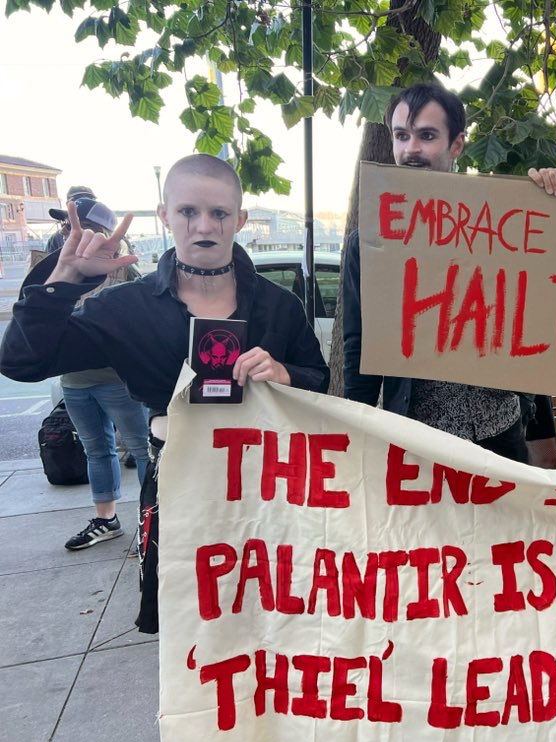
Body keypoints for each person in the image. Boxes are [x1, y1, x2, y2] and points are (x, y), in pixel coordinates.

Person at [0, 154, 329, 639]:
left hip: (266, 487)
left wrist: (284, 374)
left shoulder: (280, 306)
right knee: (187, 628)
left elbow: (319, 382)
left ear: (239, 219)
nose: (204, 226)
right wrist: (65, 283)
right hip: (178, 488)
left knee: (276, 619)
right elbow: (22, 362)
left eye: (219, 213)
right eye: (188, 212)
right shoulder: (125, 307)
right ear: (165, 215)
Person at [343, 82, 556, 465]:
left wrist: (547, 206)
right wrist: (353, 441)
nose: (411, 149)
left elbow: (534, 321)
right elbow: (359, 349)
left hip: (500, 438)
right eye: (402, 136)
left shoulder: (506, 228)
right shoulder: (368, 245)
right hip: (418, 444)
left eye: (427, 136)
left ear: (457, 144)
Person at [37, 196, 153, 550]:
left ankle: (153, 521)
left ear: (101, 230)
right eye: (64, 224)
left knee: (143, 450)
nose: (65, 230)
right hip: (74, 381)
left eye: (76, 224)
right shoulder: (59, 266)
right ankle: (107, 519)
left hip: (117, 381)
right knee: (96, 451)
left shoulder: (123, 271)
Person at [45, 185, 96, 253]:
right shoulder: (57, 238)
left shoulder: (108, 243)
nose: (62, 231)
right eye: (64, 223)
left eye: (69, 226)